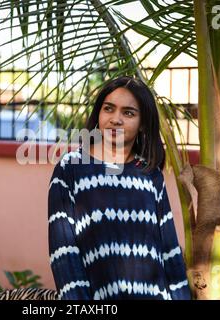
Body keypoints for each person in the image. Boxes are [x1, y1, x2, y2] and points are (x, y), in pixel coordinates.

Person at [47, 76, 191, 300]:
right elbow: (64, 253)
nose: (116, 119)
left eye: (128, 113)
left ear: (143, 123)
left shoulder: (150, 174)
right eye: (109, 109)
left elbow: (169, 250)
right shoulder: (71, 169)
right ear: (99, 114)